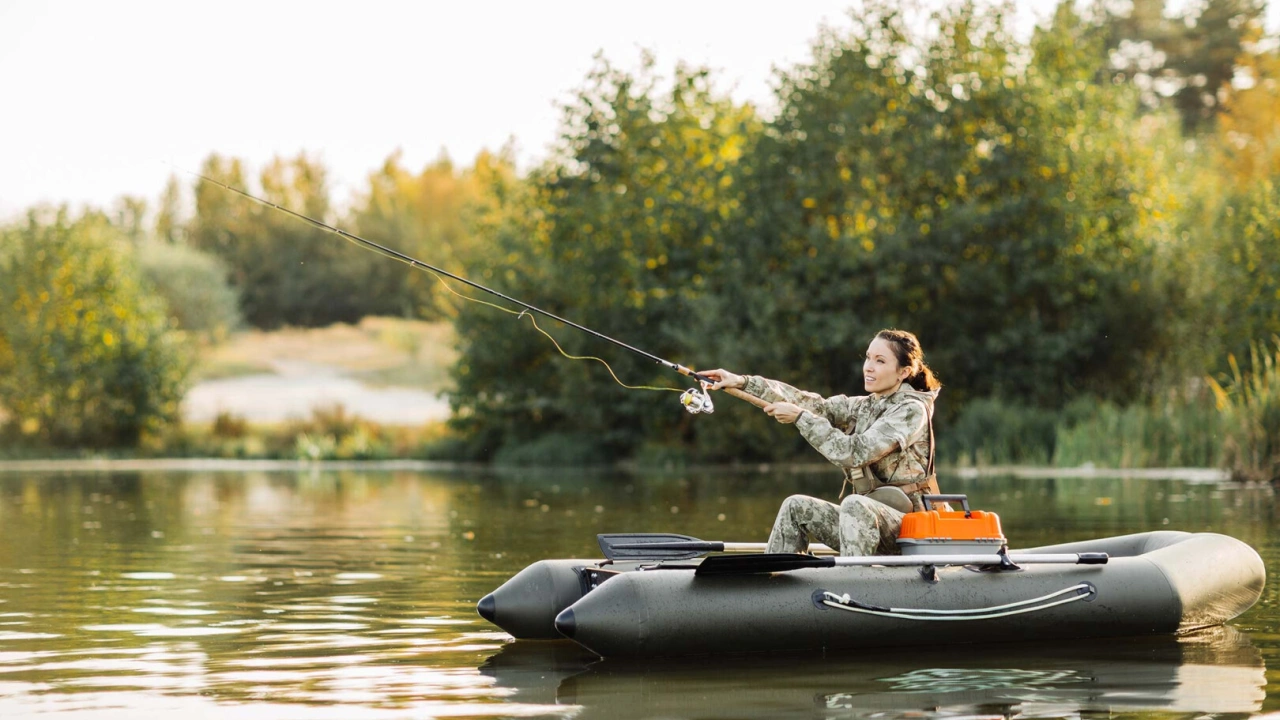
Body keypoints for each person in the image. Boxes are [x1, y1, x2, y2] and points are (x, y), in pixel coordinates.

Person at [703, 329, 942, 556]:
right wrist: (742, 382)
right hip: (869, 521)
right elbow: (811, 404)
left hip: (912, 531)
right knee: (796, 506)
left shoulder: (912, 410)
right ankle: (772, 584)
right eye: (868, 358)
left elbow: (854, 452)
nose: (868, 367)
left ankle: (851, 586)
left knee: (855, 505)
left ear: (904, 372)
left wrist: (799, 418)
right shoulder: (864, 406)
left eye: (880, 361)